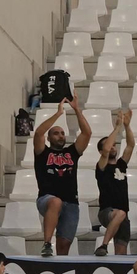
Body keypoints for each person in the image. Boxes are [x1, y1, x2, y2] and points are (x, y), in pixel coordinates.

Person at [32, 97, 93, 258]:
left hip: (71, 202)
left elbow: (87, 133)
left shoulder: (72, 152)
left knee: (64, 246)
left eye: (62, 133)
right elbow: (38, 133)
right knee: (55, 202)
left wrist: (77, 110)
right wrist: (58, 114)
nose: (60, 136)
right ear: (49, 138)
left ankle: (58, 269)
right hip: (46, 198)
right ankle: (47, 243)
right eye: (56, 133)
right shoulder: (42, 152)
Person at [93, 111, 135, 257]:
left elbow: (130, 145)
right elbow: (106, 151)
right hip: (107, 211)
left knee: (121, 254)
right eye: (109, 145)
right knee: (120, 213)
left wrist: (127, 126)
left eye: (114, 145)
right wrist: (117, 127)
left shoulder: (121, 164)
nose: (112, 147)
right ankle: (104, 245)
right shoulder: (102, 166)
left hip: (123, 215)